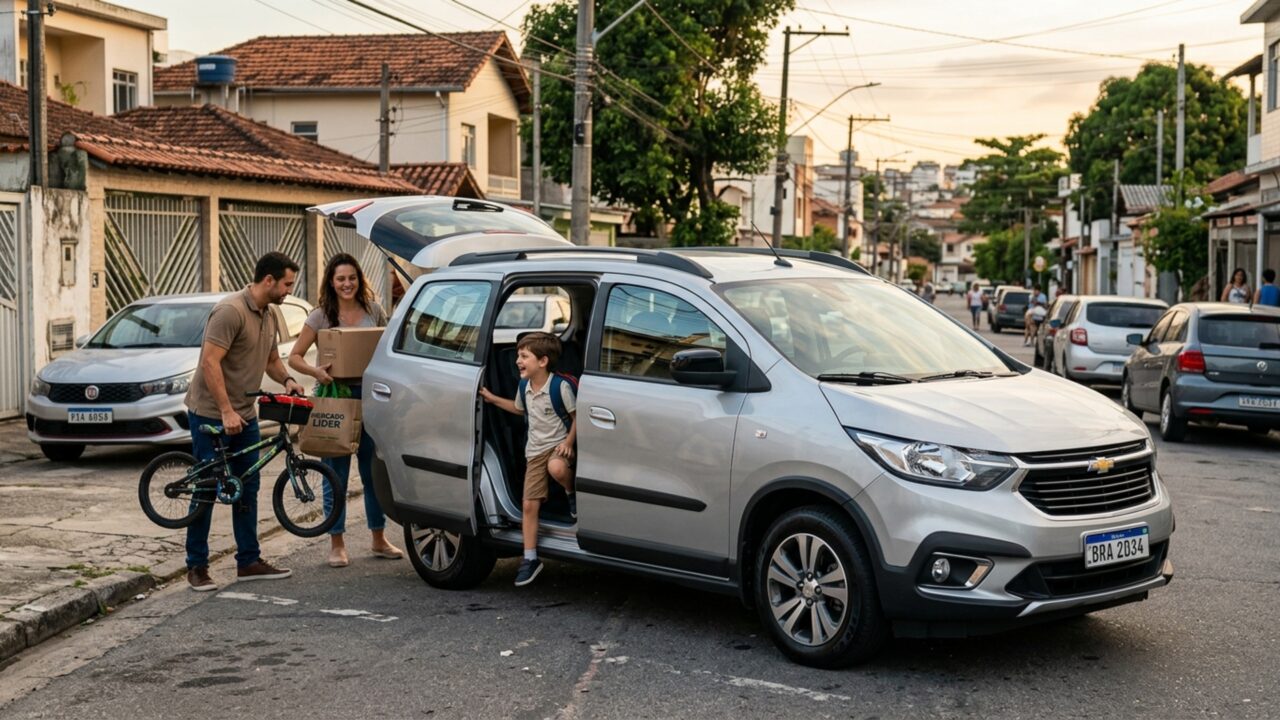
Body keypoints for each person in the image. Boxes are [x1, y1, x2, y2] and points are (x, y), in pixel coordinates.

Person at [184, 252, 306, 592]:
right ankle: (196, 566)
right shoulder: (230, 311)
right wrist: (225, 410)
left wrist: (287, 380)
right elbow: (210, 363)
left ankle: (248, 561)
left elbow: (270, 360)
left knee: (248, 487)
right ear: (268, 280)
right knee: (207, 488)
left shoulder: (271, 314)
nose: (288, 291)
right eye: (286, 284)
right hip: (211, 412)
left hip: (245, 413)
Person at [288, 253, 403, 569]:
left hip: (369, 399)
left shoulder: (374, 311)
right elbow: (295, 357)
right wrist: (317, 372)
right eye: (341, 278)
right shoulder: (321, 316)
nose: (347, 283)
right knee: (334, 474)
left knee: (372, 472)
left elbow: (390, 349)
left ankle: (378, 539)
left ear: (359, 279)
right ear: (331, 281)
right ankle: (336, 543)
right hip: (336, 398)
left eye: (352, 277)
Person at [479, 332, 577, 587]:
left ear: (542, 361)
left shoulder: (560, 387)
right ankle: (530, 558)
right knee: (528, 506)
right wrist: (491, 399)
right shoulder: (524, 386)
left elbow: (577, 417)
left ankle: (570, 491)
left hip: (559, 447)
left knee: (556, 467)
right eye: (518, 356)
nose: (517, 361)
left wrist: (568, 443)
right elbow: (518, 408)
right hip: (534, 451)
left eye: (524, 356)